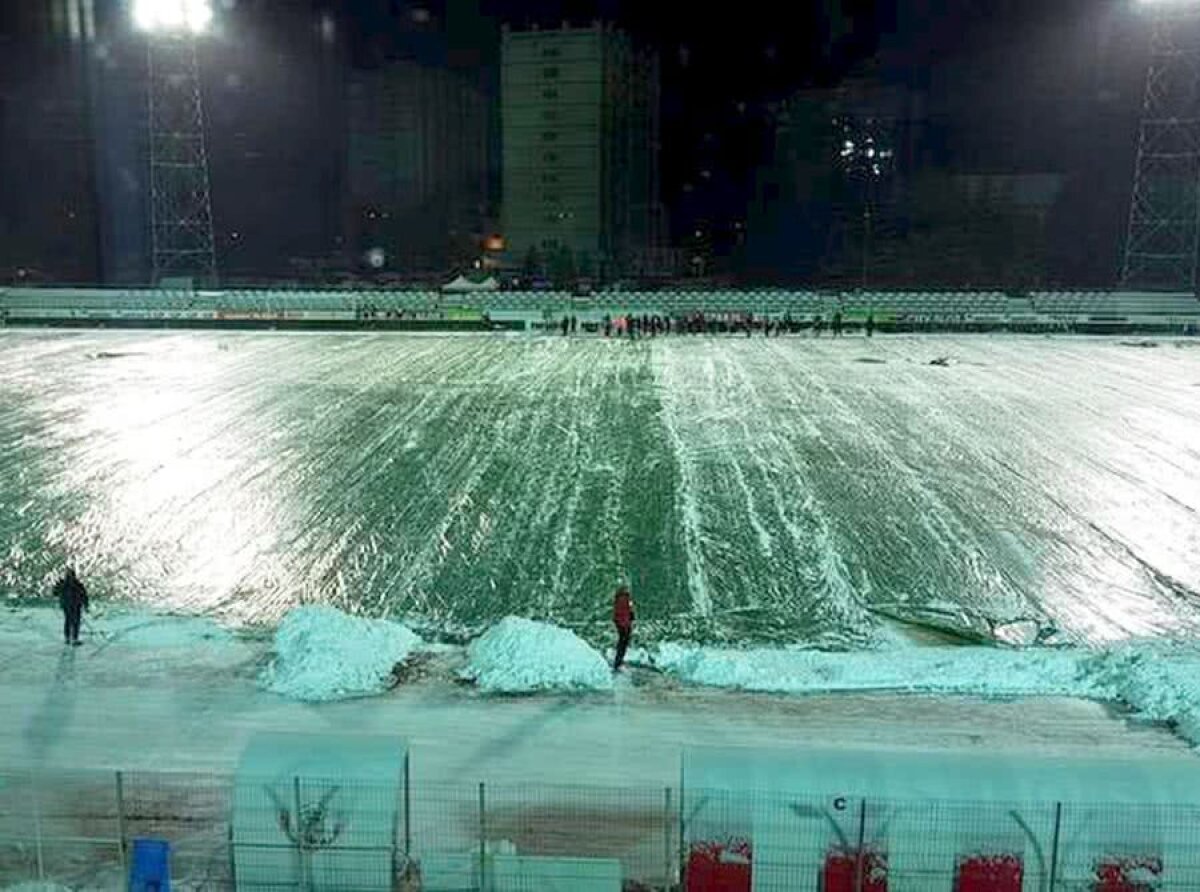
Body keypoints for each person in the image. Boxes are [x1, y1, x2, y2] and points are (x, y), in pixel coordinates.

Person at [53, 566, 88, 646]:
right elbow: (84, 595)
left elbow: (55, 593)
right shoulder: (77, 584)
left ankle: (69, 638)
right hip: (74, 605)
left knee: (69, 621)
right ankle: (73, 638)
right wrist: (85, 605)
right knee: (74, 622)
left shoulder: (65, 584)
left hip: (69, 605)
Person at [612, 585, 635, 671]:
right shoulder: (624, 598)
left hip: (623, 623)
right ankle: (618, 662)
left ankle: (618, 661)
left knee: (622, 642)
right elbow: (624, 612)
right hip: (624, 624)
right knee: (623, 642)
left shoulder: (620, 598)